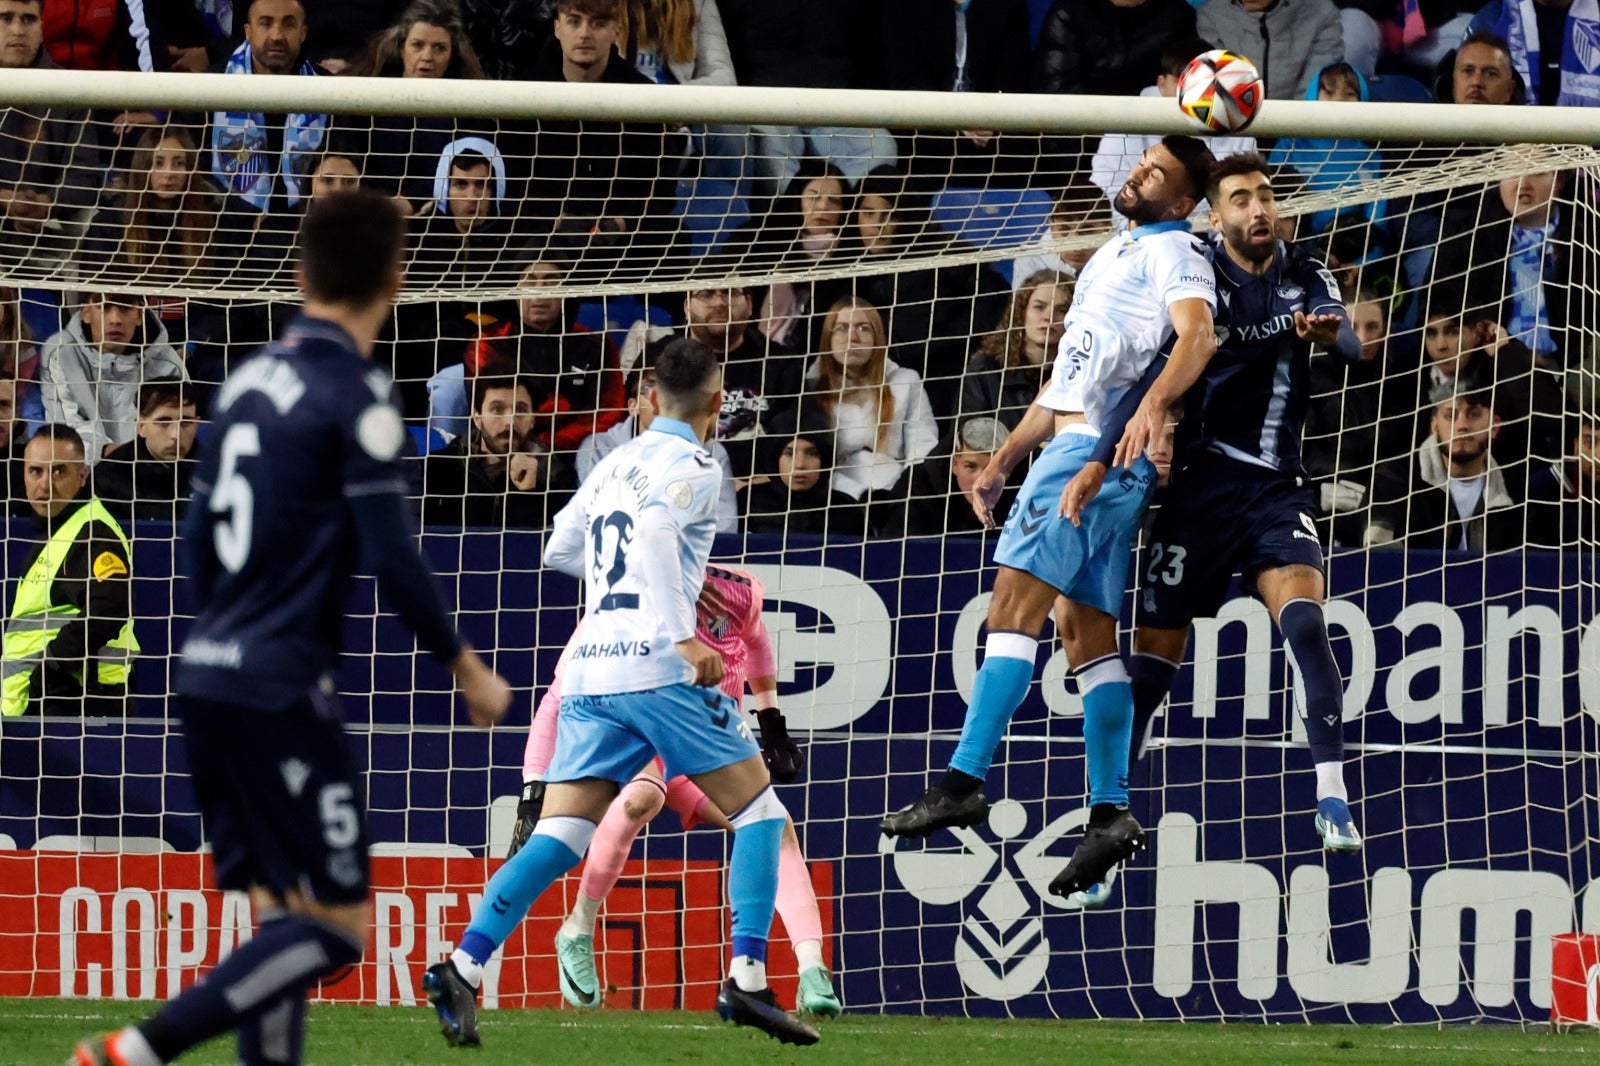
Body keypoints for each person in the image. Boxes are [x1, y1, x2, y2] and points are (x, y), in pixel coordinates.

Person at [71, 189, 511, 1066]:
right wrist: (464, 665)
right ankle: (141, 1050)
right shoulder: (357, 392)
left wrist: (234, 623)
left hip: (208, 673)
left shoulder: (241, 383)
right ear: (395, 277)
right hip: (280, 687)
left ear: (300, 273)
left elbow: (198, 542)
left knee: (281, 918)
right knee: (341, 930)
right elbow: (392, 556)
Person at [421, 338, 820, 1048]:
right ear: (718, 404)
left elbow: (558, 548)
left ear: (648, 399)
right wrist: (681, 635)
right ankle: (748, 979)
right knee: (761, 814)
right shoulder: (697, 463)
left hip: (591, 668)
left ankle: (463, 963)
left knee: (562, 833)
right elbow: (663, 530)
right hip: (654, 668)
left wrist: (616, 595)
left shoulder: (614, 465)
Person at [879, 136, 1219, 907]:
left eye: (1156, 172)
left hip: (1093, 459)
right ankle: (1109, 810)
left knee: (1011, 611)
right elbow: (1064, 387)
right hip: (1075, 451)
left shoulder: (1178, 252)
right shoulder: (1109, 257)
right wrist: (1004, 459)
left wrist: (1147, 415)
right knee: (1086, 636)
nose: (1137, 173)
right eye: (1140, 164)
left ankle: (963, 780)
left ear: (1182, 201)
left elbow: (1197, 336)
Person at [1071, 156, 1366, 913]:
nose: (1258, 208)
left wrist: (1327, 331)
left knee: (1305, 624)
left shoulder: (1307, 272)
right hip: (1197, 495)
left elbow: (1354, 347)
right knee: (1152, 670)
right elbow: (1180, 357)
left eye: (1266, 196)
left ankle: (1331, 797)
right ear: (1216, 215)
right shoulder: (1194, 273)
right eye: (1241, 198)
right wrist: (1105, 451)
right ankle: (1106, 826)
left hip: (1274, 489)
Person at [509, 563, 842, 1017]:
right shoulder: (616, 612)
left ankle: (812, 970)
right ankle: (577, 930)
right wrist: (533, 789)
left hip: (701, 745)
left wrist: (772, 722)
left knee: (775, 824)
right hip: (638, 742)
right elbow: (554, 701)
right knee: (639, 800)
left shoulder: (735, 593)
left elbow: (758, 641)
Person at [1, 423, 137, 717]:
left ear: (83, 476)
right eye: (35, 471)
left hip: (77, 703)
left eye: (59, 471)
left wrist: (49, 670)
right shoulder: (57, 530)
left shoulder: (94, 533)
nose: (45, 485)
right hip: (37, 704)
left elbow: (109, 609)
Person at [578, 357, 738, 531]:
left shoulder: (712, 452)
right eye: (651, 387)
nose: (662, 399)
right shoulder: (599, 448)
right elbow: (601, 524)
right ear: (633, 406)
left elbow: (725, 528)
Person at [805, 296, 938, 504]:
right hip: (832, 496)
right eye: (841, 328)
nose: (853, 337)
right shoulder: (809, 387)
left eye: (863, 328)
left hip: (897, 492)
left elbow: (923, 448)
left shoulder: (906, 380)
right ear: (827, 338)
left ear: (877, 337)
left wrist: (903, 493)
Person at [1366, 380, 1527, 551]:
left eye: (1474, 414)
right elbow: (1378, 555)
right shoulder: (1395, 478)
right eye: (1451, 416)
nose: (1462, 426)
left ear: (1495, 426)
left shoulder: (1513, 488)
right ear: (1434, 426)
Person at [205, 0, 330, 216]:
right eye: (266, 23)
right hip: (227, 227)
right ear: (248, 31)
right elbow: (198, 171)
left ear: (303, 33)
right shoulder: (205, 87)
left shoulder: (331, 89)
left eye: (288, 25)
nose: (276, 36)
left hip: (307, 225)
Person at [0, 0, 104, 259]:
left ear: (42, 27)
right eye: (5, 18)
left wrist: (46, 204)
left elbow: (85, 175)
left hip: (49, 234)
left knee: (99, 220)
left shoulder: (68, 91)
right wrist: (4, 199)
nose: (17, 30)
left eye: (28, 19)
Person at [39, 292, 188, 462]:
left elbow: (178, 430)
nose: (115, 319)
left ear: (140, 314)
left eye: (125, 307)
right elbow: (64, 430)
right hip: (83, 471)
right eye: (104, 306)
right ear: (85, 312)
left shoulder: (168, 365)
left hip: (145, 471)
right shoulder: (61, 352)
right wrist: (107, 453)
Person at [421, 369, 574, 528]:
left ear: (533, 419)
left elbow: (543, 547)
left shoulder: (556, 476)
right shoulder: (440, 467)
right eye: (497, 409)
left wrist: (528, 494)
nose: (510, 421)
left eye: (520, 410)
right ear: (477, 417)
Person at [958, 270, 1073, 431]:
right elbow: (970, 438)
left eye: (1061, 310)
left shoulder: (1077, 375)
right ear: (1021, 312)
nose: (1049, 317)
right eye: (1039, 307)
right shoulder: (985, 370)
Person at [882, 417, 1018, 537]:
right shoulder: (916, 491)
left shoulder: (1027, 491)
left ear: (1009, 470)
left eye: (991, 469)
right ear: (954, 463)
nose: (981, 481)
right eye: (970, 466)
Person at [740, 404, 864, 536]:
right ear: (775, 458)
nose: (800, 465)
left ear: (825, 459)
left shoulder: (846, 510)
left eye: (812, 453)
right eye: (789, 453)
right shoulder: (748, 502)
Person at [92, 377, 202, 521]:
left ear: (197, 424)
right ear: (141, 427)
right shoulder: (108, 478)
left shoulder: (220, 469)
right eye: (163, 422)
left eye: (186, 422)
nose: (176, 435)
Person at [1196, 0, 1345, 99]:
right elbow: (1218, 92)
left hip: (1299, 135)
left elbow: (1312, 93)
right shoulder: (1209, 15)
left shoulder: (1321, 14)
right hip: (1231, 135)